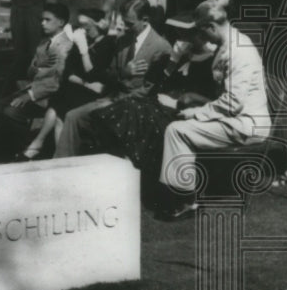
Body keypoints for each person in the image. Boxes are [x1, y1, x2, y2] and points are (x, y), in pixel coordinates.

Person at [155, 0, 271, 221]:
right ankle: (182, 191)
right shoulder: (227, 44)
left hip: (247, 124)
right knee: (179, 118)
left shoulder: (240, 51)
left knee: (177, 130)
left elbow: (233, 102)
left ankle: (185, 200)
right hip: (234, 118)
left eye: (201, 30)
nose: (200, 36)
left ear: (211, 26)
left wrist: (197, 113)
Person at [89, 23, 218, 187]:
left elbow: (214, 97)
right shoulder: (184, 56)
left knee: (132, 110)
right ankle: (125, 166)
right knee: (126, 109)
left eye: (186, 36)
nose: (181, 40)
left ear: (200, 36)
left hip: (188, 109)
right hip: (164, 101)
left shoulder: (212, 60)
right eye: (179, 35)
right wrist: (174, 59)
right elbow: (163, 81)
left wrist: (185, 98)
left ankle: (131, 170)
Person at [54, 0, 172, 158]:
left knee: (105, 122)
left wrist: (119, 101)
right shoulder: (123, 40)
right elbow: (109, 74)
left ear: (145, 20)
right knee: (72, 116)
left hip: (138, 105)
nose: (125, 27)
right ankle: (64, 166)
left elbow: (149, 89)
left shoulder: (161, 47)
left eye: (130, 23)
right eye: (124, 22)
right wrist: (123, 73)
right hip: (113, 97)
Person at [18, 7, 116, 160]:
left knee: (60, 106)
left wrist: (84, 52)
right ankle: (57, 156)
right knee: (60, 102)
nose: (82, 31)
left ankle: (43, 147)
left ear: (98, 25)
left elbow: (93, 73)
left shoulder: (108, 44)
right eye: (80, 27)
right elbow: (68, 72)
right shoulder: (82, 41)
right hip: (84, 87)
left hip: (99, 93)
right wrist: (86, 83)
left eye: (86, 26)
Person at [0, 3, 73, 161]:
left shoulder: (65, 46)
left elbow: (57, 81)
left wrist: (31, 95)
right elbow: (31, 71)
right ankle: (15, 148)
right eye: (42, 19)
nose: (42, 23)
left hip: (49, 96)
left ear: (61, 22)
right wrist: (38, 66)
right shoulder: (44, 43)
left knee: (10, 112)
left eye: (47, 20)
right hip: (33, 89)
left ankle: (26, 149)